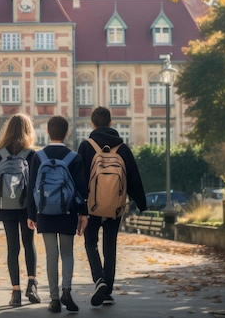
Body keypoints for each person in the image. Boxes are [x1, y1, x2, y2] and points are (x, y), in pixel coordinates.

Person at [77, 107, 147, 306]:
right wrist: (142, 204)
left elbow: (80, 179)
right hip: (115, 206)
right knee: (110, 245)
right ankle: (107, 290)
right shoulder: (122, 148)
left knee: (91, 243)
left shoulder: (86, 146)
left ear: (92, 124)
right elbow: (133, 177)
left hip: (92, 206)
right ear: (110, 123)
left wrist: (78, 207)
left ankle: (98, 279)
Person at [27, 115, 88, 313]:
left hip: (44, 212)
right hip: (68, 211)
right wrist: (83, 214)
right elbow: (81, 190)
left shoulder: (38, 157)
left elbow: (32, 188)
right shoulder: (74, 158)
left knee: (51, 255)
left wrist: (31, 215)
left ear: (47, 132)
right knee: (67, 253)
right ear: (67, 133)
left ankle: (53, 299)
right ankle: (67, 291)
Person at [0, 113, 41, 307]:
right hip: (27, 207)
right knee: (29, 243)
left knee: (13, 247)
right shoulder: (32, 154)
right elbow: (36, 184)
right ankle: (32, 284)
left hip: (6, 206)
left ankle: (16, 292)